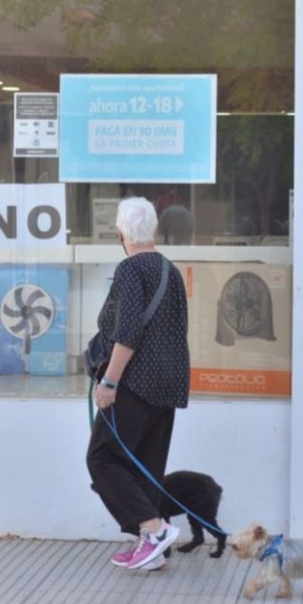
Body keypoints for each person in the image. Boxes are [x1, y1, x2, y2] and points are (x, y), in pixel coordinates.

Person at [86, 196, 190, 571]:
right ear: (154, 231)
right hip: (169, 384)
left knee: (102, 458)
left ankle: (153, 528)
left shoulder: (131, 270)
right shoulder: (169, 269)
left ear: (120, 232)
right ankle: (152, 549)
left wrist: (109, 382)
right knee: (146, 464)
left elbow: (127, 334)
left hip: (135, 383)